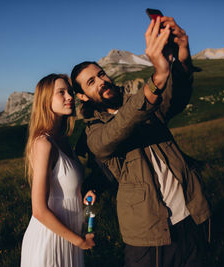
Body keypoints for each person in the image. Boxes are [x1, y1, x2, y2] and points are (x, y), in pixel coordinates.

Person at [71, 16, 211, 266]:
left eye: (101, 74)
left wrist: (182, 56)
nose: (102, 81)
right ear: (83, 96)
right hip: (149, 234)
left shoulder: (143, 103)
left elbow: (175, 97)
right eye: (91, 82)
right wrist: (157, 78)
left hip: (191, 214)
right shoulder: (94, 133)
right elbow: (118, 130)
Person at [21, 74, 96, 267]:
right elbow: (38, 210)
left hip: (68, 239)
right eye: (61, 93)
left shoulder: (62, 140)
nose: (70, 97)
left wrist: (84, 193)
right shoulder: (43, 143)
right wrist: (80, 241)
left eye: (70, 92)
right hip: (49, 242)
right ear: (46, 100)